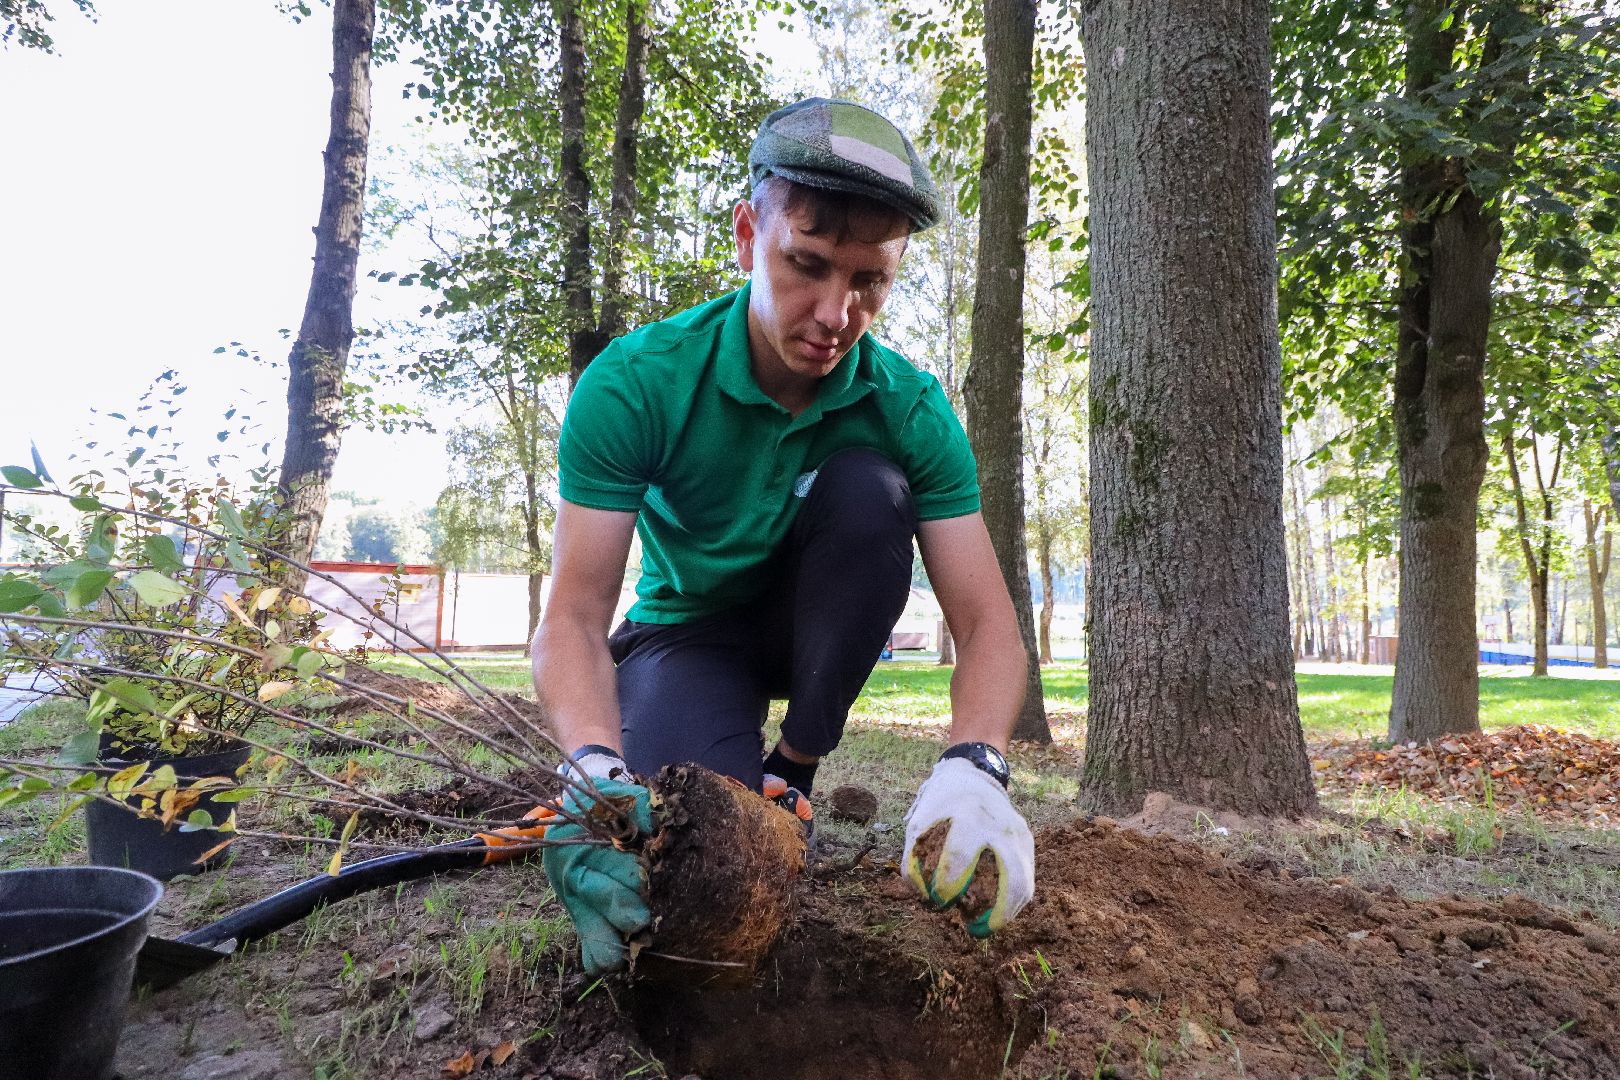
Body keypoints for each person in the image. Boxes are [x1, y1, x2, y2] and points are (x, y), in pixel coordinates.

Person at [532, 98, 1036, 977]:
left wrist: (975, 765)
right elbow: (574, 617)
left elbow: (988, 621)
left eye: (869, 281)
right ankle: (742, 782)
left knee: (869, 489)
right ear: (746, 235)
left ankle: (797, 765)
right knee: (700, 846)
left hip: (818, 629)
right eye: (806, 264)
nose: (835, 312)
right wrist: (591, 762)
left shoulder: (908, 407)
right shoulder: (638, 383)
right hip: (685, 634)